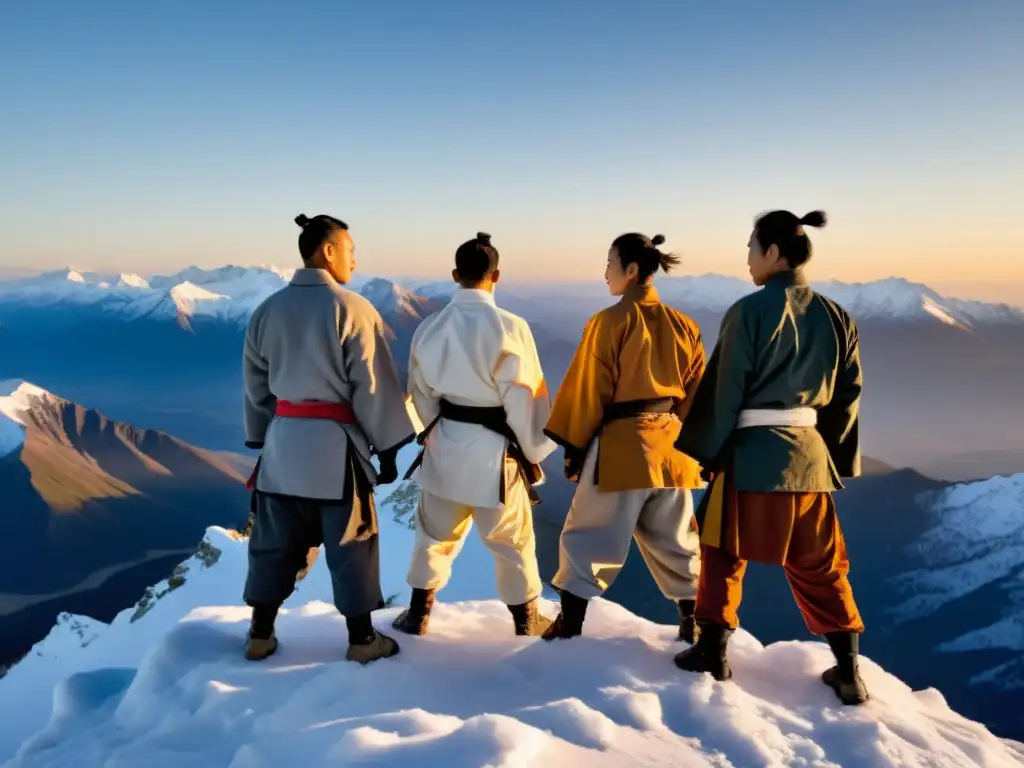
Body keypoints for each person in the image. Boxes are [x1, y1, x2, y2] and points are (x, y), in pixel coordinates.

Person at [672, 210, 868, 705]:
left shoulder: (750, 311)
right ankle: (848, 670)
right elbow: (847, 396)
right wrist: (838, 458)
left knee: (721, 550)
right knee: (822, 564)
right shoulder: (837, 315)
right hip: (810, 458)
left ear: (774, 253)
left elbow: (726, 389)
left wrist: (707, 450)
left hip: (751, 453)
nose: (747, 259)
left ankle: (712, 651)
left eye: (751, 248)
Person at [241, 213, 415, 664]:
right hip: (336, 453)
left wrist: (263, 438)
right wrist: (389, 447)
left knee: (273, 541)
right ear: (329, 251)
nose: (355, 263)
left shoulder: (267, 311)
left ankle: (260, 633)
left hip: (281, 450)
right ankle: (361, 640)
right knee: (352, 542)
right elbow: (374, 387)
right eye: (351, 252)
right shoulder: (353, 310)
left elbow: (257, 387)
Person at [542, 233, 705, 642]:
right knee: (678, 542)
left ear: (631, 271)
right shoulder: (686, 326)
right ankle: (693, 626)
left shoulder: (609, 321)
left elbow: (588, 389)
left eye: (610, 263)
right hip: (672, 449)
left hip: (621, 448)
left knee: (589, 537)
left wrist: (574, 448)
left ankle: (570, 627)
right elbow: (696, 397)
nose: (606, 273)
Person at [393, 232, 556, 637]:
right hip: (494, 455)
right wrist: (533, 446)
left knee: (433, 535)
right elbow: (524, 396)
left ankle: (418, 614)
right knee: (512, 541)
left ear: (454, 275)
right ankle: (526, 619)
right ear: (496, 275)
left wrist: (435, 431)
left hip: (445, 446)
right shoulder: (511, 327)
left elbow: (420, 393)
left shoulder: (430, 327)